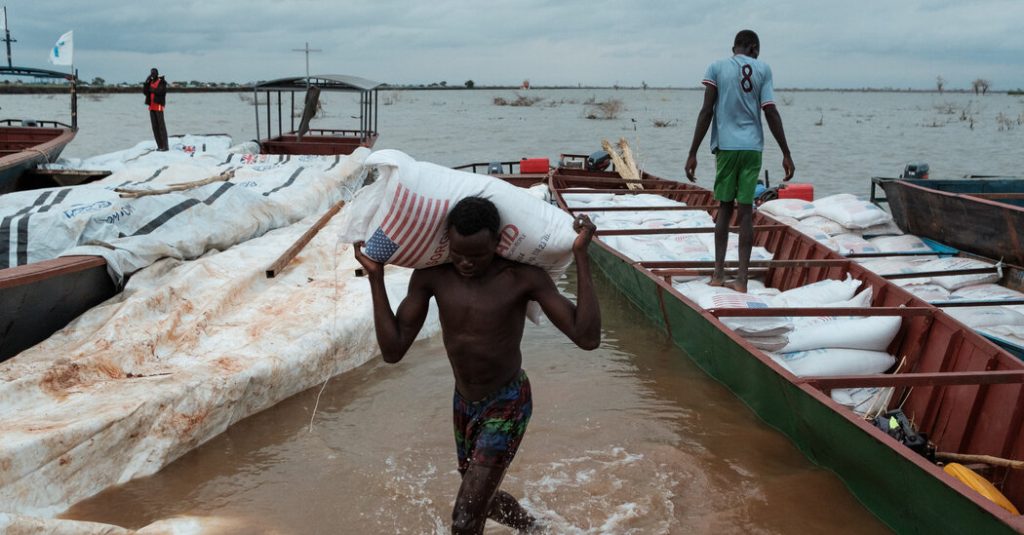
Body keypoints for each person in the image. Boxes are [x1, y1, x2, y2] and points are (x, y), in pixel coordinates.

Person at [354, 197, 601, 534]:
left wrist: (581, 257)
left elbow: (587, 337)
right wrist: (375, 279)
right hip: (464, 405)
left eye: (477, 256)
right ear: (447, 244)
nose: (466, 263)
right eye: (458, 254)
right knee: (482, 497)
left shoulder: (522, 279)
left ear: (498, 243)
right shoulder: (432, 277)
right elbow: (393, 350)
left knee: (464, 519)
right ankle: (534, 528)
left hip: (508, 403)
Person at [685, 29, 794, 293]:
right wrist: (786, 153)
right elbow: (770, 111)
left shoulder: (716, 68)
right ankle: (742, 280)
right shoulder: (763, 69)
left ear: (735, 47)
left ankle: (719, 274)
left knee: (724, 208)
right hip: (752, 148)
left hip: (726, 148)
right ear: (754, 48)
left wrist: (693, 152)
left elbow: (706, 111)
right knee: (746, 211)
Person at [143, 68, 169, 151]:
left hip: (158, 106)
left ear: (157, 73)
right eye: (151, 73)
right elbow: (145, 92)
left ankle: (165, 146)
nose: (152, 74)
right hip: (151, 107)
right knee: (154, 127)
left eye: (154, 73)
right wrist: (146, 81)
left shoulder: (162, 82)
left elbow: (160, 91)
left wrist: (151, 89)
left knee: (161, 126)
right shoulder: (150, 82)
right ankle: (160, 146)